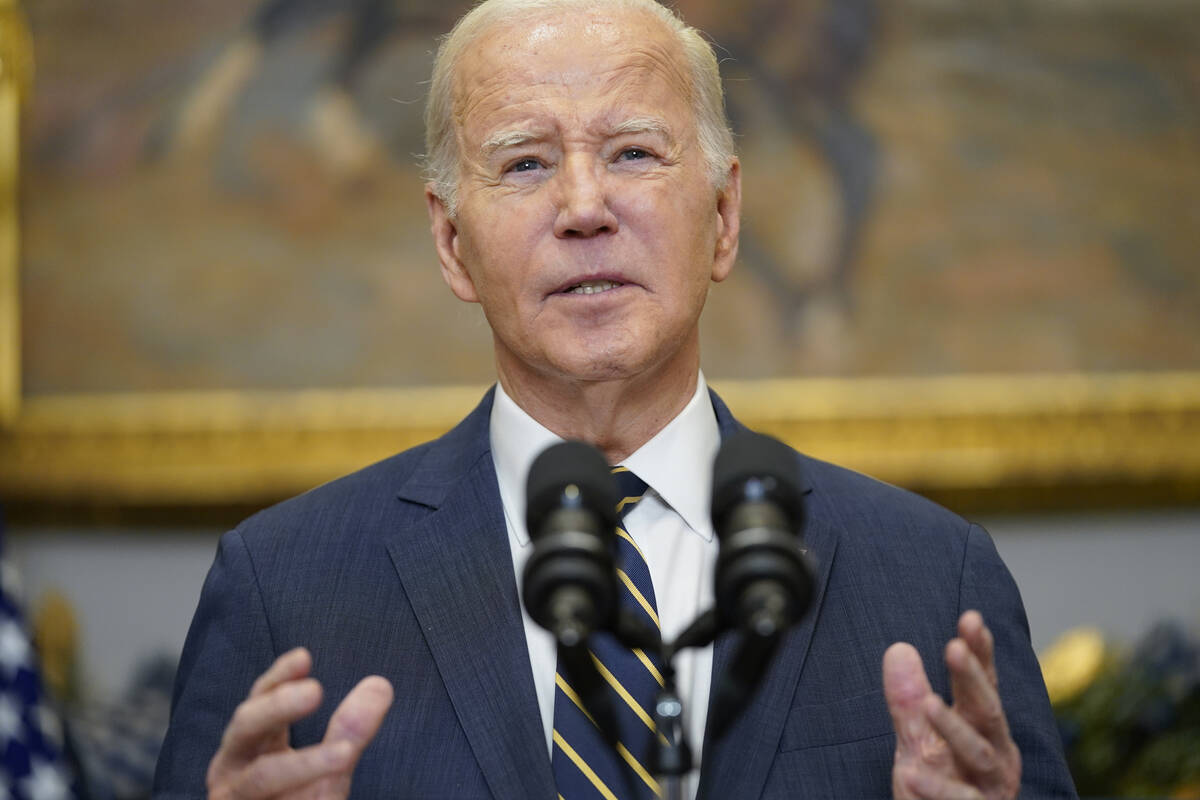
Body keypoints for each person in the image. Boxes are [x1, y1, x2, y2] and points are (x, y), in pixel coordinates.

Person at [153, 0, 1076, 797]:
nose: (584, 206)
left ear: (722, 218)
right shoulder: (285, 590)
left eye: (634, 153)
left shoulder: (930, 580)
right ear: (449, 242)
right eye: (523, 165)